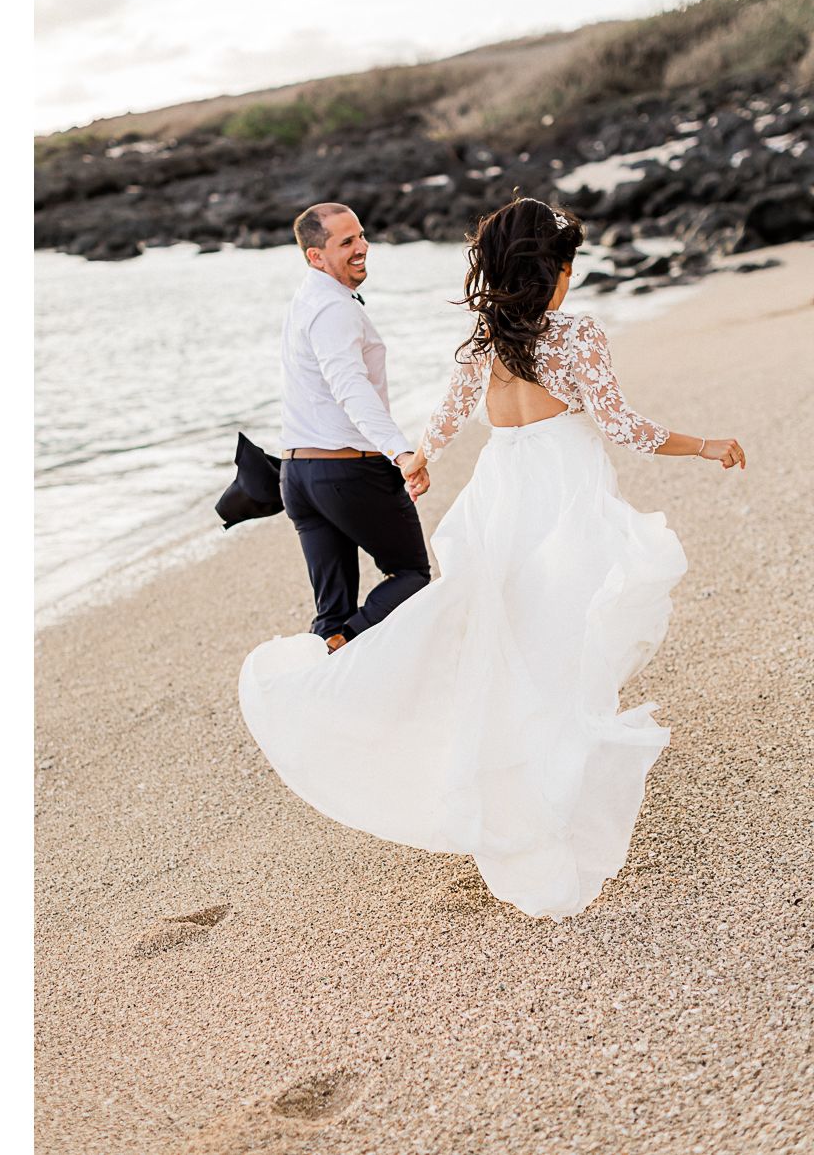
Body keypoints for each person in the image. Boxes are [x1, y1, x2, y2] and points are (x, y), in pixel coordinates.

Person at [239, 197, 745, 920]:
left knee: (512, 650)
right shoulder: (575, 338)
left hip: (498, 502)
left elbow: (444, 421)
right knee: (561, 643)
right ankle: (554, 790)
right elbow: (625, 427)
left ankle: (511, 784)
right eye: (566, 267)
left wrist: (418, 458)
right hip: (561, 505)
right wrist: (705, 444)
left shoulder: (484, 342)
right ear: (552, 273)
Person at [277, 202, 431, 652]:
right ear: (315, 256)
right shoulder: (332, 310)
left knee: (332, 610)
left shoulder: (306, 300)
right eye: (347, 242)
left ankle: (324, 684)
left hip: (299, 475)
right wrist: (400, 453)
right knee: (411, 576)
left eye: (361, 235)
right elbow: (350, 388)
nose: (362, 247)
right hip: (346, 473)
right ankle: (343, 643)